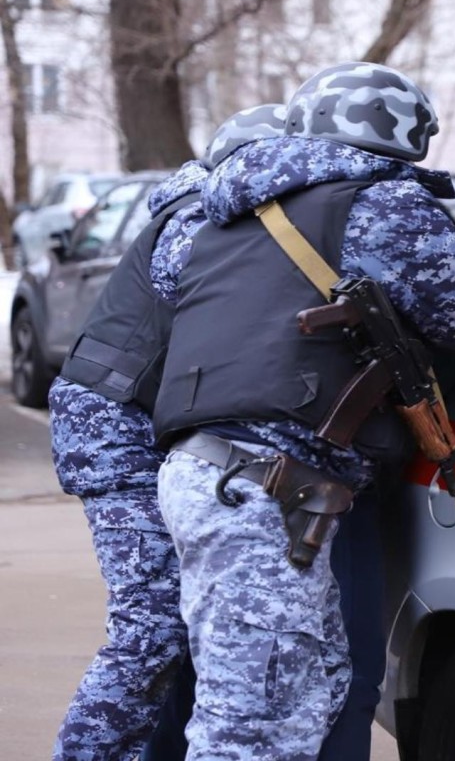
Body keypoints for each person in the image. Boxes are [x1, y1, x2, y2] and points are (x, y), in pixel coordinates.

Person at [151, 62, 455, 760]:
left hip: (209, 474)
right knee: (253, 722)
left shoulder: (219, 204)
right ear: (406, 136)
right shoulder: (377, 200)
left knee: (300, 696)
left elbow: (173, 283)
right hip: (266, 492)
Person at [49, 103, 288, 761]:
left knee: (182, 622)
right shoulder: (198, 216)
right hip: (114, 429)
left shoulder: (216, 212)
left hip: (146, 427)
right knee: (150, 624)